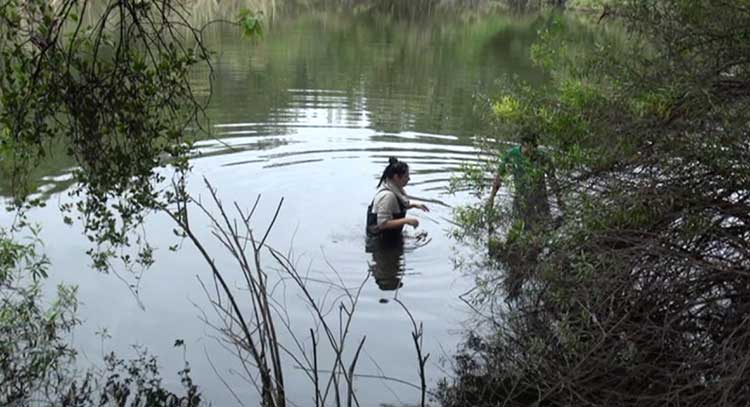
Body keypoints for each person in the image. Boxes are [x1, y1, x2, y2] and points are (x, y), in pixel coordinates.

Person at [488, 132, 564, 231]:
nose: (533, 152)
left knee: (544, 229)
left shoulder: (542, 156)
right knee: (518, 229)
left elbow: (552, 179)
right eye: (531, 148)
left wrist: (559, 199)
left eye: (535, 149)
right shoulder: (512, 155)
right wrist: (491, 198)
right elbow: (499, 177)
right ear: (524, 144)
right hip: (521, 198)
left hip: (540, 199)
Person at [366, 157, 429, 245]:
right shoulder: (387, 196)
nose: (409, 179)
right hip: (380, 242)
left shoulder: (396, 189)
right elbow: (382, 224)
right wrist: (407, 220)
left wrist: (415, 205)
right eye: (406, 176)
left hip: (389, 238)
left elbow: (399, 206)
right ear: (396, 177)